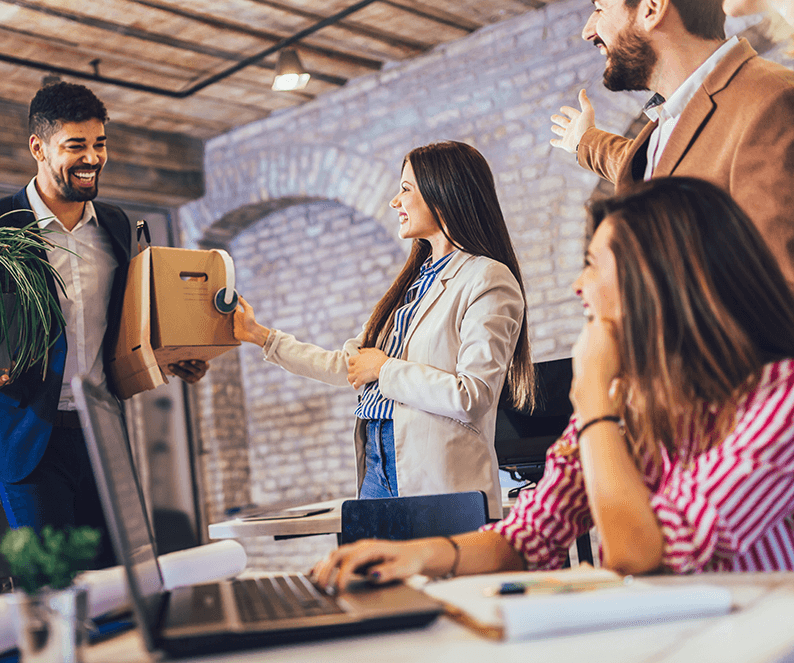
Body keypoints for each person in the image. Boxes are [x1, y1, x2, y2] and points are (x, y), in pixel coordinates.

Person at [312, 177, 794, 592]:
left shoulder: (780, 398)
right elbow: (526, 537)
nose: (577, 286)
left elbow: (645, 554)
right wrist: (417, 557)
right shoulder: (631, 404)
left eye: (592, 264)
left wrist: (591, 401)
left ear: (658, 280)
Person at [0, 82, 207, 566]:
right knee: (56, 588)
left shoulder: (118, 226)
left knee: (122, 583)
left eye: (100, 144)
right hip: (28, 441)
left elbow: (128, 320)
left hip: (104, 429)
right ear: (38, 148)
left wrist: (171, 356)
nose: (92, 158)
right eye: (75, 146)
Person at [232, 141, 535, 519]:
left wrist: (384, 370)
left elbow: (471, 396)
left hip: (436, 472)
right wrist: (260, 335)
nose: (395, 201)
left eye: (406, 189)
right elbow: (349, 366)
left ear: (443, 193)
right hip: (377, 462)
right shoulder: (412, 283)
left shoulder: (487, 277)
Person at [549, 0, 794, 284]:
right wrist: (585, 141)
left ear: (652, 8)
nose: (588, 32)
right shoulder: (673, 119)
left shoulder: (771, 101)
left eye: (600, 9)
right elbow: (672, 175)